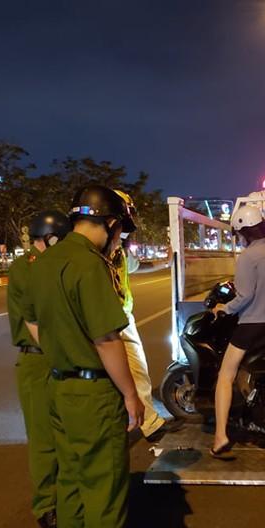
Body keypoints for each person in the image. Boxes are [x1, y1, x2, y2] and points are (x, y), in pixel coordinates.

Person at [23, 184, 173, 528]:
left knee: (70, 484)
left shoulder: (43, 262)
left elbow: (33, 323)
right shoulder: (89, 265)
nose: (119, 239)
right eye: (120, 230)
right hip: (93, 395)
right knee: (104, 493)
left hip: (58, 387)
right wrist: (130, 395)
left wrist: (64, 350)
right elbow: (107, 340)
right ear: (109, 223)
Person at [6, 208, 71, 528]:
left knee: (64, 436)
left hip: (53, 358)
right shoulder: (28, 267)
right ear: (51, 240)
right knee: (45, 441)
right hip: (39, 361)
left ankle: (65, 498)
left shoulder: (41, 264)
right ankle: (47, 506)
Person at [104, 190, 183, 443]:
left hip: (122, 317)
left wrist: (166, 261)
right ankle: (146, 424)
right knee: (131, 372)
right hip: (109, 321)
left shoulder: (119, 251)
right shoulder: (98, 252)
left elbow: (139, 266)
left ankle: (147, 423)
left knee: (135, 371)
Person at [210, 204, 265, 459]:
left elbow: (244, 296)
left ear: (243, 232)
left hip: (253, 324)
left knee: (225, 375)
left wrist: (224, 308)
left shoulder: (248, 257)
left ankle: (220, 437)